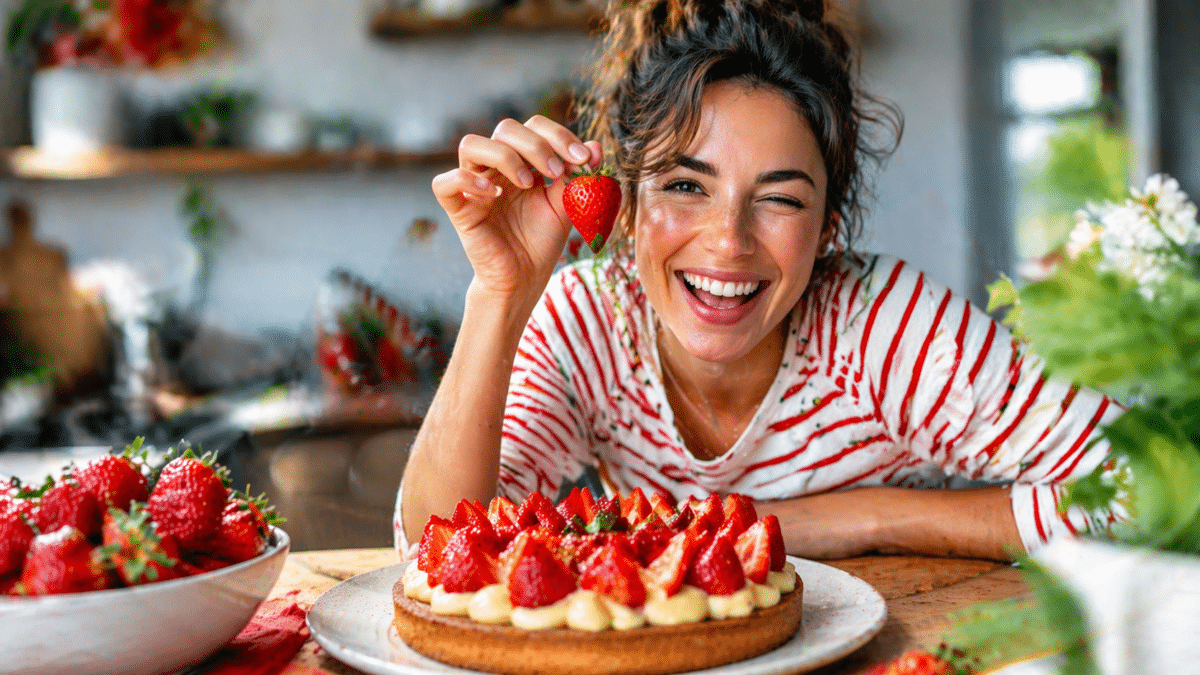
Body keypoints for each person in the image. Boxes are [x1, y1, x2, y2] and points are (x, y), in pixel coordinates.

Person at [395, 0, 1122, 561]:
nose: (727, 242)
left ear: (829, 224)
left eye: (779, 198)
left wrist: (858, 516)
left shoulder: (886, 328)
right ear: (627, 197)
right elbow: (435, 551)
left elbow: (1150, 488)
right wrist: (499, 291)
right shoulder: (588, 321)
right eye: (685, 185)